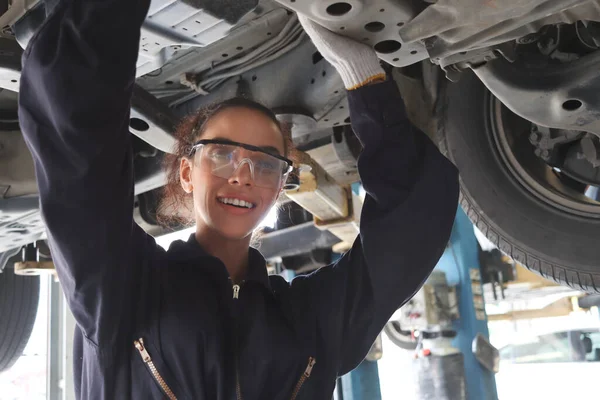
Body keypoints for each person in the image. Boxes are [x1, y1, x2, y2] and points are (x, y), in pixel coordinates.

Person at [18, 0, 459, 399]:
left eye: (266, 164)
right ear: (187, 172)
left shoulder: (308, 319)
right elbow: (79, 156)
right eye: (223, 155)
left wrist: (364, 79)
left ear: (280, 187)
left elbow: (410, 232)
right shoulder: (121, 289)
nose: (244, 176)